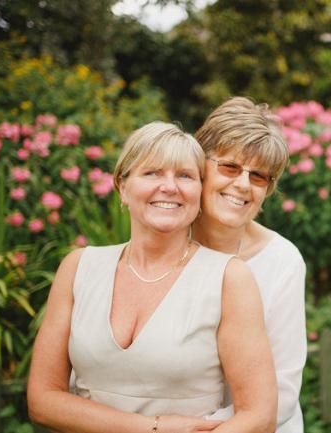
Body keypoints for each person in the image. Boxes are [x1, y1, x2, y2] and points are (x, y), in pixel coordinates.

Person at [27, 122, 277, 433]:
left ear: (199, 191)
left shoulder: (229, 278)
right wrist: (151, 428)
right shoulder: (79, 267)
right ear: (122, 186)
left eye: (185, 176)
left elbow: (259, 416)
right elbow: (42, 399)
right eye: (152, 173)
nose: (170, 187)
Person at [193, 97, 306, 433]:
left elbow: (282, 393)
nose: (242, 184)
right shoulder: (168, 243)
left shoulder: (282, 261)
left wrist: (189, 428)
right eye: (229, 167)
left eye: (258, 176)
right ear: (201, 165)